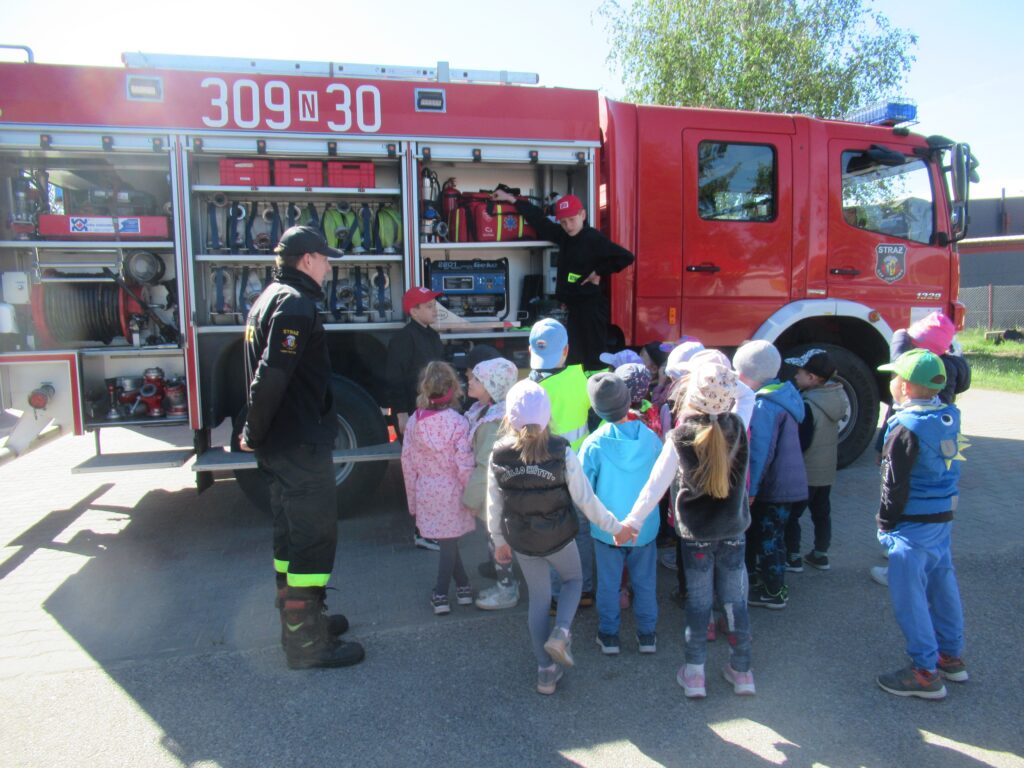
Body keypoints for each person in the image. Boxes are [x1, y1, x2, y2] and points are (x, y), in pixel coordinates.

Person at [240, 225, 364, 670]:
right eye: (325, 258)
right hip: (298, 444)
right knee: (311, 543)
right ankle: (306, 643)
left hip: (283, 443)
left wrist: (257, 434)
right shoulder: (294, 305)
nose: (329, 267)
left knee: (290, 540)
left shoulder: (269, 298)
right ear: (307, 259)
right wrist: (253, 430)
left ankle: (302, 622)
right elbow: (273, 374)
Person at [486, 380, 635, 695]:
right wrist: (615, 527)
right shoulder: (560, 450)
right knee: (573, 581)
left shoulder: (498, 453)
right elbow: (586, 499)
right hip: (559, 537)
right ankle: (562, 632)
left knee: (538, 601)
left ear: (509, 417)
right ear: (548, 414)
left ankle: (545, 671)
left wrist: (499, 541)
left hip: (522, 540)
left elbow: (493, 502)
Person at [622, 362, 754, 697]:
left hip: (695, 535)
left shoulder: (680, 435)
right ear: (728, 397)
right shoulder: (738, 425)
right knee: (734, 600)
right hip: (734, 531)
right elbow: (747, 395)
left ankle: (694, 674)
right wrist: (724, 380)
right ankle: (742, 672)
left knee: (698, 604)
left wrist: (633, 521)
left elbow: (656, 485)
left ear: (690, 396)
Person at [874, 348, 967, 700]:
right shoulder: (948, 415)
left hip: (911, 525)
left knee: (909, 597)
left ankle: (925, 671)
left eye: (895, 377)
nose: (892, 382)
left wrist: (885, 523)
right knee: (943, 584)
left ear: (908, 387)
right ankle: (951, 655)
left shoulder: (905, 427)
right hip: (941, 519)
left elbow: (892, 482)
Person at [871, 311, 971, 587]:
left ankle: (899, 564)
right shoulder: (949, 369)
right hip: (937, 457)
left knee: (904, 498)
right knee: (928, 508)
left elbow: (894, 485)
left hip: (911, 450)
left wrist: (885, 521)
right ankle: (918, 556)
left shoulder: (914, 378)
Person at [492, 189, 635, 370]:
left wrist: (598, 271)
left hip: (591, 308)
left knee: (594, 356)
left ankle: (600, 391)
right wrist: (512, 200)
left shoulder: (594, 238)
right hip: (574, 308)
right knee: (574, 356)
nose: (568, 226)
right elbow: (540, 222)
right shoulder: (564, 236)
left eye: (572, 220)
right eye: (563, 222)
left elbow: (626, 257)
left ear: (583, 215)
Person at [579, 372, 663, 655]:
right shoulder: (651, 439)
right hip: (644, 528)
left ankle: (609, 635)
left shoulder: (593, 443)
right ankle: (647, 635)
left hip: (607, 530)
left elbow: (583, 489)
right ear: (629, 400)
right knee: (645, 583)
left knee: (609, 584)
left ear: (595, 409)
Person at [527, 318, 597, 605]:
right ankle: (586, 590)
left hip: (546, 472)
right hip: (580, 467)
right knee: (582, 528)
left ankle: (558, 595)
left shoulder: (531, 389)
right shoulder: (582, 380)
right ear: (566, 350)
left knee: (555, 532)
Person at [734, 340, 807, 609]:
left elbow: (759, 452)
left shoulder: (764, 406)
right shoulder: (786, 394)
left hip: (773, 487)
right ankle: (770, 582)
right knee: (775, 535)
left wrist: (750, 490)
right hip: (789, 483)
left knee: (768, 539)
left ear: (745, 375)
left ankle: (774, 592)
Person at [401, 361, 477, 614]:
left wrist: (412, 501)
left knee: (447, 540)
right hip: (453, 491)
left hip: (427, 491)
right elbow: (465, 464)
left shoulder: (414, 423)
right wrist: (474, 497)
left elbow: (408, 464)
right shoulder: (458, 423)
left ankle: (463, 586)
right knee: (448, 542)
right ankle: (442, 593)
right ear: (454, 390)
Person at [458, 357, 522, 610]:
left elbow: (485, 465)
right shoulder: (488, 411)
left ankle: (507, 590)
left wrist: (470, 500)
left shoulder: (493, 421)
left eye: (477, 379)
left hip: (498, 496)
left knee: (499, 541)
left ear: (493, 386)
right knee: (497, 539)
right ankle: (504, 583)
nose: (469, 381)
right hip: (500, 493)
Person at [386, 285, 445, 551]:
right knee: (422, 475)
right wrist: (400, 415)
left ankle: (433, 526)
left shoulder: (432, 336)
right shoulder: (403, 339)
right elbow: (394, 380)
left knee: (436, 473)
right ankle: (422, 532)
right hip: (414, 416)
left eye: (434, 304)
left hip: (434, 416)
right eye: (429, 305)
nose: (434, 309)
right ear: (414, 310)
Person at [782, 349, 846, 573]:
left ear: (812, 378)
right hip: (826, 472)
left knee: (792, 516)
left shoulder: (808, 405)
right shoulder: (837, 397)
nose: (795, 376)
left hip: (806, 472)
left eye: (799, 372)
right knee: (821, 512)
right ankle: (820, 553)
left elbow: (803, 441)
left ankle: (792, 556)